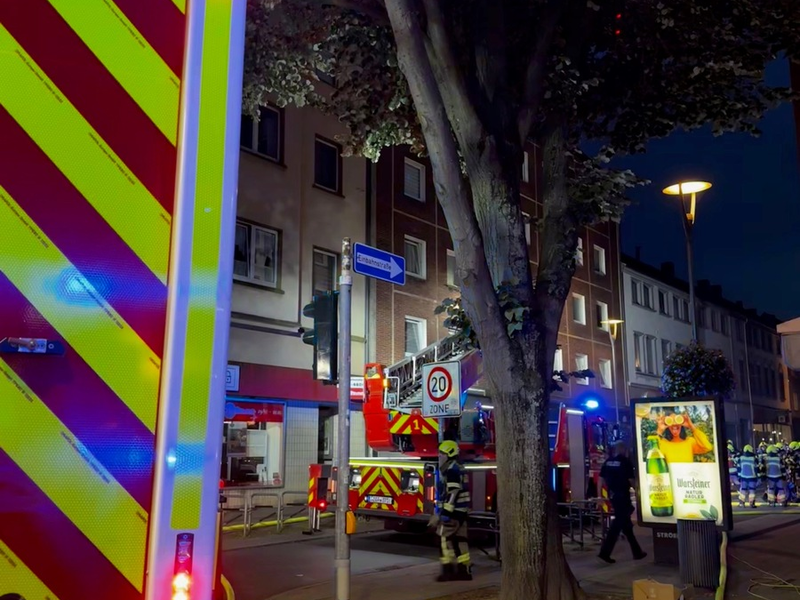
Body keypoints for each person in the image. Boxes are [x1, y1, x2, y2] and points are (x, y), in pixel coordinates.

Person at [598, 440, 647, 563]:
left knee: (627, 526)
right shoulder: (625, 462)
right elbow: (631, 481)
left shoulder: (608, 462)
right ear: (624, 450)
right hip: (623, 496)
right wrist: (639, 493)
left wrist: (600, 496)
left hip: (613, 496)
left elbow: (600, 479)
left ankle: (637, 552)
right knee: (617, 525)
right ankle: (605, 552)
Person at [431, 440, 472, 582]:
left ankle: (447, 571)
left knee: (443, 539)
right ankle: (464, 571)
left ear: (449, 454)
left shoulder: (451, 470)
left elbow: (453, 491)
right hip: (462, 511)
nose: (439, 456)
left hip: (453, 512)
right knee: (460, 540)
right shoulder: (458, 467)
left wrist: (446, 513)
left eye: (441, 453)